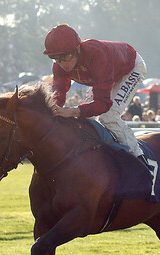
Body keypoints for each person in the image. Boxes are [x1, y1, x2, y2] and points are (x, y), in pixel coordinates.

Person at [44, 24, 152, 172]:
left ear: (78, 48)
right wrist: (52, 110)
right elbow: (58, 94)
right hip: (107, 73)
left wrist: (71, 111)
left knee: (108, 116)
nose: (63, 63)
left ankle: (140, 160)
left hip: (130, 67)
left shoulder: (97, 55)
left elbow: (103, 105)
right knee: (87, 120)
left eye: (66, 56)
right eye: (56, 58)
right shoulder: (59, 66)